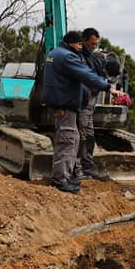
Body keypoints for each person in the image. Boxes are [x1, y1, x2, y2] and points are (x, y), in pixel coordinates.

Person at [43, 30, 112, 194]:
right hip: (65, 105)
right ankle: (60, 180)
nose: (82, 48)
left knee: (71, 139)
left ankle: (66, 176)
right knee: (68, 140)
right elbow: (86, 74)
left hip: (63, 104)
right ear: (72, 43)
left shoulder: (55, 53)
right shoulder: (67, 56)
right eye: (80, 44)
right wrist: (107, 87)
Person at [74, 27, 111, 181]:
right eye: (91, 44)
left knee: (89, 136)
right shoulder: (77, 58)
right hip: (81, 102)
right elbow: (86, 77)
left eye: (96, 44)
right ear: (83, 41)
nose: (94, 47)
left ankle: (88, 167)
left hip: (90, 102)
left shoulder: (92, 58)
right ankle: (75, 169)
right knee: (80, 136)